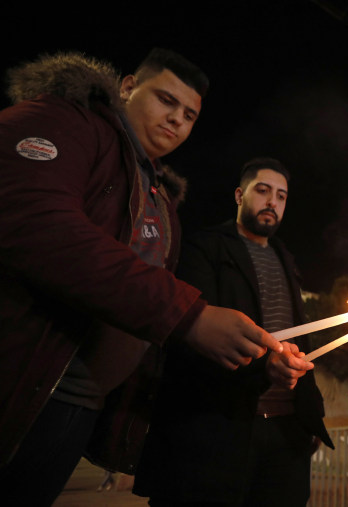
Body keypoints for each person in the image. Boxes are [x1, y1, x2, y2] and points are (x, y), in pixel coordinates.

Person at [0, 50, 282, 505]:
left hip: (80, 404)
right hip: (21, 385)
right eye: (166, 100)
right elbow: (37, 225)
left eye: (189, 115)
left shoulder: (161, 199)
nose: (177, 120)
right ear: (128, 86)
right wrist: (191, 317)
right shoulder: (64, 121)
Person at [134, 157, 333, 506]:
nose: (273, 201)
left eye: (282, 196)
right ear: (240, 195)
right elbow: (188, 337)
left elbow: (301, 339)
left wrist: (309, 416)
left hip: (287, 431)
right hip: (219, 428)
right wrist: (263, 366)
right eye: (263, 190)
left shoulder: (287, 258)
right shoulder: (205, 247)